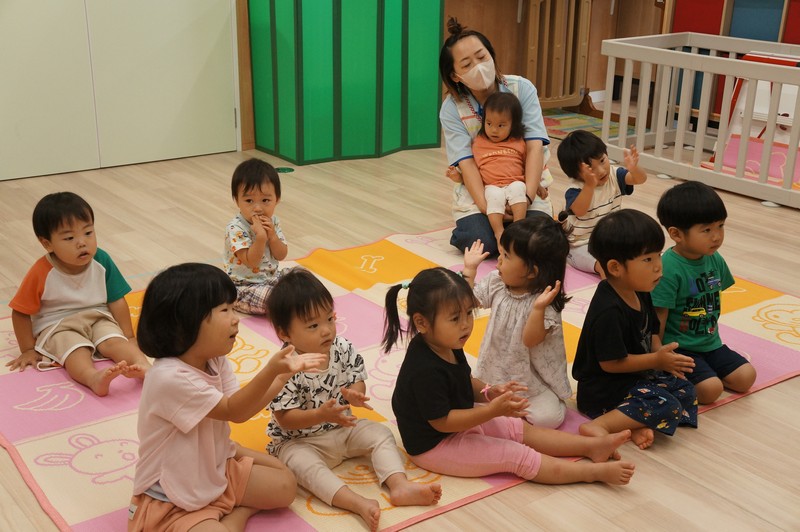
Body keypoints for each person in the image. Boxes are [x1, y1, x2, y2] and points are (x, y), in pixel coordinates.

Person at [383, 267, 636, 487]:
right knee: (514, 455)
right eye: (455, 318)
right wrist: (491, 411)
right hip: (435, 444)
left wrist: (489, 392)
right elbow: (443, 423)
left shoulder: (448, 342)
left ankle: (591, 447)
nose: (466, 324)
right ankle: (593, 473)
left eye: (469, 313)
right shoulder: (424, 369)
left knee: (517, 428)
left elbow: (463, 381)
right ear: (422, 323)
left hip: (458, 421)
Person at [128, 263, 326, 532]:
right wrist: (271, 370)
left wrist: (281, 377)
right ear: (186, 321)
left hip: (214, 468)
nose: (236, 319)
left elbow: (244, 405)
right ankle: (233, 514)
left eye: (234, 308)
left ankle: (223, 501)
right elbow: (234, 410)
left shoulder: (214, 359)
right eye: (225, 310)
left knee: (286, 485)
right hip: (173, 498)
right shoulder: (169, 377)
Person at [265, 268, 442, 532]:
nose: (326, 330)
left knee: (381, 433)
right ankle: (357, 502)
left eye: (329, 318)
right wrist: (320, 415)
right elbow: (285, 419)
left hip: (342, 427)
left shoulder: (342, 347)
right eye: (313, 326)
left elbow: (356, 378)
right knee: (300, 465)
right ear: (284, 333)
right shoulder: (284, 366)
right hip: (300, 441)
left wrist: (354, 393)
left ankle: (399, 486)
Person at [572, 209, 698, 450]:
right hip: (602, 391)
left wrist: (663, 356)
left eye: (658, 255)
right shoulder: (608, 310)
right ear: (615, 267)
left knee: (685, 390)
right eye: (648, 259)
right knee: (667, 405)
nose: (658, 266)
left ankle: (634, 423)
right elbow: (610, 364)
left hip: (635, 378)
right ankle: (601, 425)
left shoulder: (641, 290)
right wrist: (656, 360)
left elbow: (652, 333)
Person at [6, 192, 149, 396]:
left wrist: (129, 336)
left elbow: (116, 300)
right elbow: (20, 311)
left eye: (88, 232)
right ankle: (93, 378)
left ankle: (144, 367)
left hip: (98, 316)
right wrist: (28, 349)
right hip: (58, 325)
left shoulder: (101, 260)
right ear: (47, 244)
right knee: (75, 350)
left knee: (115, 341)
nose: (82, 242)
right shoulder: (41, 271)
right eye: (69, 238)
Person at [439, 17, 554, 256]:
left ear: (491, 55)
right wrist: (488, 207)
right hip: (484, 190)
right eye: (467, 64)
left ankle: (517, 221)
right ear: (455, 76)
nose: (479, 67)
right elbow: (466, 163)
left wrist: (527, 197)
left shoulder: (521, 88)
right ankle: (476, 227)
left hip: (523, 184)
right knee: (482, 242)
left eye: (482, 57)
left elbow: (534, 147)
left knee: (540, 238)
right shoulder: (452, 109)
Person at [652, 181, 756, 404]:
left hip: (710, 343)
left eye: (720, 226)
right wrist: (659, 356)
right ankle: (672, 379)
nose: (716, 236)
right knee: (710, 390)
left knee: (746, 377)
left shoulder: (714, 259)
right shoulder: (668, 267)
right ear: (676, 234)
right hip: (679, 348)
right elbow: (658, 315)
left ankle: (706, 372)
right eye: (707, 230)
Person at [462, 217, 572, 428]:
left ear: (532, 271)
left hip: (530, 382)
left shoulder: (544, 302)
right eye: (501, 253)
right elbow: (468, 304)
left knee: (548, 419)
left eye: (506, 256)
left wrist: (538, 309)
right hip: (494, 372)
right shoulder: (497, 281)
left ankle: (514, 413)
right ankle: (503, 410)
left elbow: (530, 340)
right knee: (465, 400)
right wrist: (469, 271)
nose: (498, 260)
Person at [556, 130, 647, 275]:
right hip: (581, 245)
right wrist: (589, 185)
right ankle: (608, 287)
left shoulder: (614, 175)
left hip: (610, 239)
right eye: (590, 169)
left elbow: (639, 179)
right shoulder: (575, 189)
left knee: (639, 249)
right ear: (574, 174)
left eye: (602, 161)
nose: (600, 170)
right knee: (605, 266)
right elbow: (580, 211)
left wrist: (634, 169)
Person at [224, 158, 288, 315]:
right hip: (244, 285)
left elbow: (281, 255)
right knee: (271, 300)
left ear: (277, 199)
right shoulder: (236, 228)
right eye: (249, 200)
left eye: (265, 200)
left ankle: (297, 303)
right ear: (237, 201)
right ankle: (292, 306)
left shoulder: (273, 222)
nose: (258, 208)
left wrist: (272, 236)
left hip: (272, 278)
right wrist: (260, 238)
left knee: (301, 277)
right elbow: (251, 262)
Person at [472, 92, 531, 245]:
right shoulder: (479, 143)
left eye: (501, 125)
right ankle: (499, 233)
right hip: (492, 185)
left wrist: (538, 186)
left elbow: (528, 166)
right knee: (494, 196)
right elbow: (472, 171)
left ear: (513, 125)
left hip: (514, 182)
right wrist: (457, 177)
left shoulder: (518, 142)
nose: (494, 130)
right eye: (489, 123)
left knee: (519, 187)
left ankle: (518, 227)